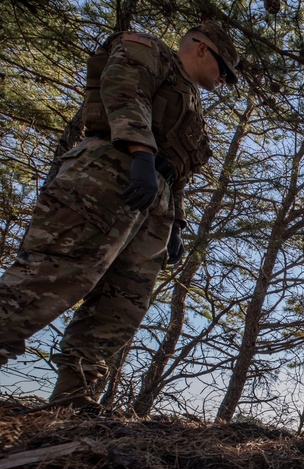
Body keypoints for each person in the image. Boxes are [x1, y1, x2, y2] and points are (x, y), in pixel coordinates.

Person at [0, 20, 239, 409]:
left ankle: (72, 403)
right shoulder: (149, 50)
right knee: (48, 279)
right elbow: (125, 91)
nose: (224, 80)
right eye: (224, 69)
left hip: (152, 204)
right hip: (108, 174)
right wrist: (141, 153)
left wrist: (175, 224)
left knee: (120, 306)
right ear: (201, 48)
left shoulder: (192, 105)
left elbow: (176, 168)